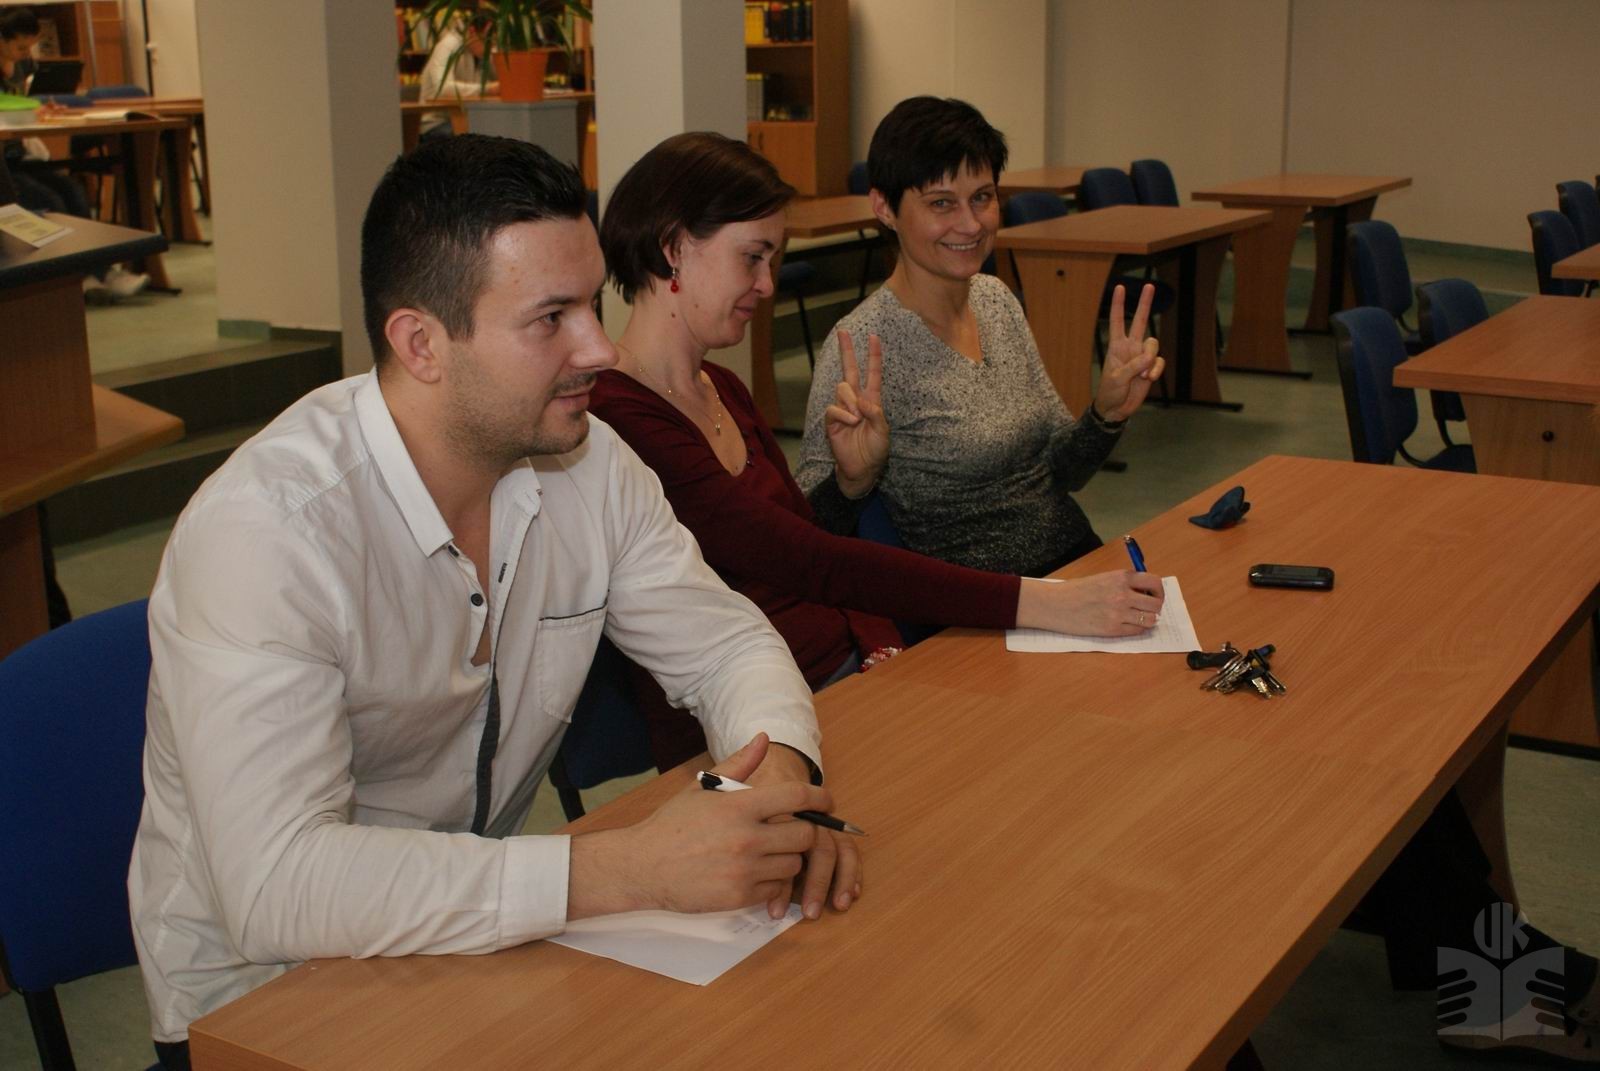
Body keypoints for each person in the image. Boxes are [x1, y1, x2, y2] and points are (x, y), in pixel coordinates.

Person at [128, 134, 859, 1071]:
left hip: (480, 944)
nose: (600, 347)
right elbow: (278, 884)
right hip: (267, 1006)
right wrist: (625, 868)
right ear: (421, 344)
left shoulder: (586, 460)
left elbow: (726, 648)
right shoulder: (267, 534)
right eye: (551, 317)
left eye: (591, 303)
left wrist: (776, 787)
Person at [588, 131, 1164, 768]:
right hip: (754, 727)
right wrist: (1045, 602)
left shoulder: (720, 386)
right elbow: (809, 560)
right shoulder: (619, 417)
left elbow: (806, 543)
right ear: (673, 248)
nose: (768, 284)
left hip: (844, 675)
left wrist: (852, 484)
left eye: (773, 259)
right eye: (752, 258)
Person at [795, 96, 1163, 579]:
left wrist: (1106, 414)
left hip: (1072, 561)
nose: (971, 224)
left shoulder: (995, 299)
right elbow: (805, 540)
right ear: (884, 208)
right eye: (941, 203)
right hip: (983, 598)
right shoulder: (860, 346)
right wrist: (852, 482)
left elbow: (1064, 472)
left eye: (983, 197)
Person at [1, 7, 148, 299]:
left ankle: (100, 273)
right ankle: (74, 278)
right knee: (51, 202)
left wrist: (40, 109)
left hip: (21, 158)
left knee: (73, 191)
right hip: (5, 168)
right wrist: (29, 109)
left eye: (29, 47)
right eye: (20, 47)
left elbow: (21, 106)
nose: (25, 53)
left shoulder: (21, 67)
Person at [417, 10, 498, 137]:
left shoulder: (480, 53)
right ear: (472, 31)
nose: (491, 47)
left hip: (468, 118)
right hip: (437, 123)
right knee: (481, 136)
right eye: (487, 41)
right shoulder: (448, 46)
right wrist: (487, 89)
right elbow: (442, 88)